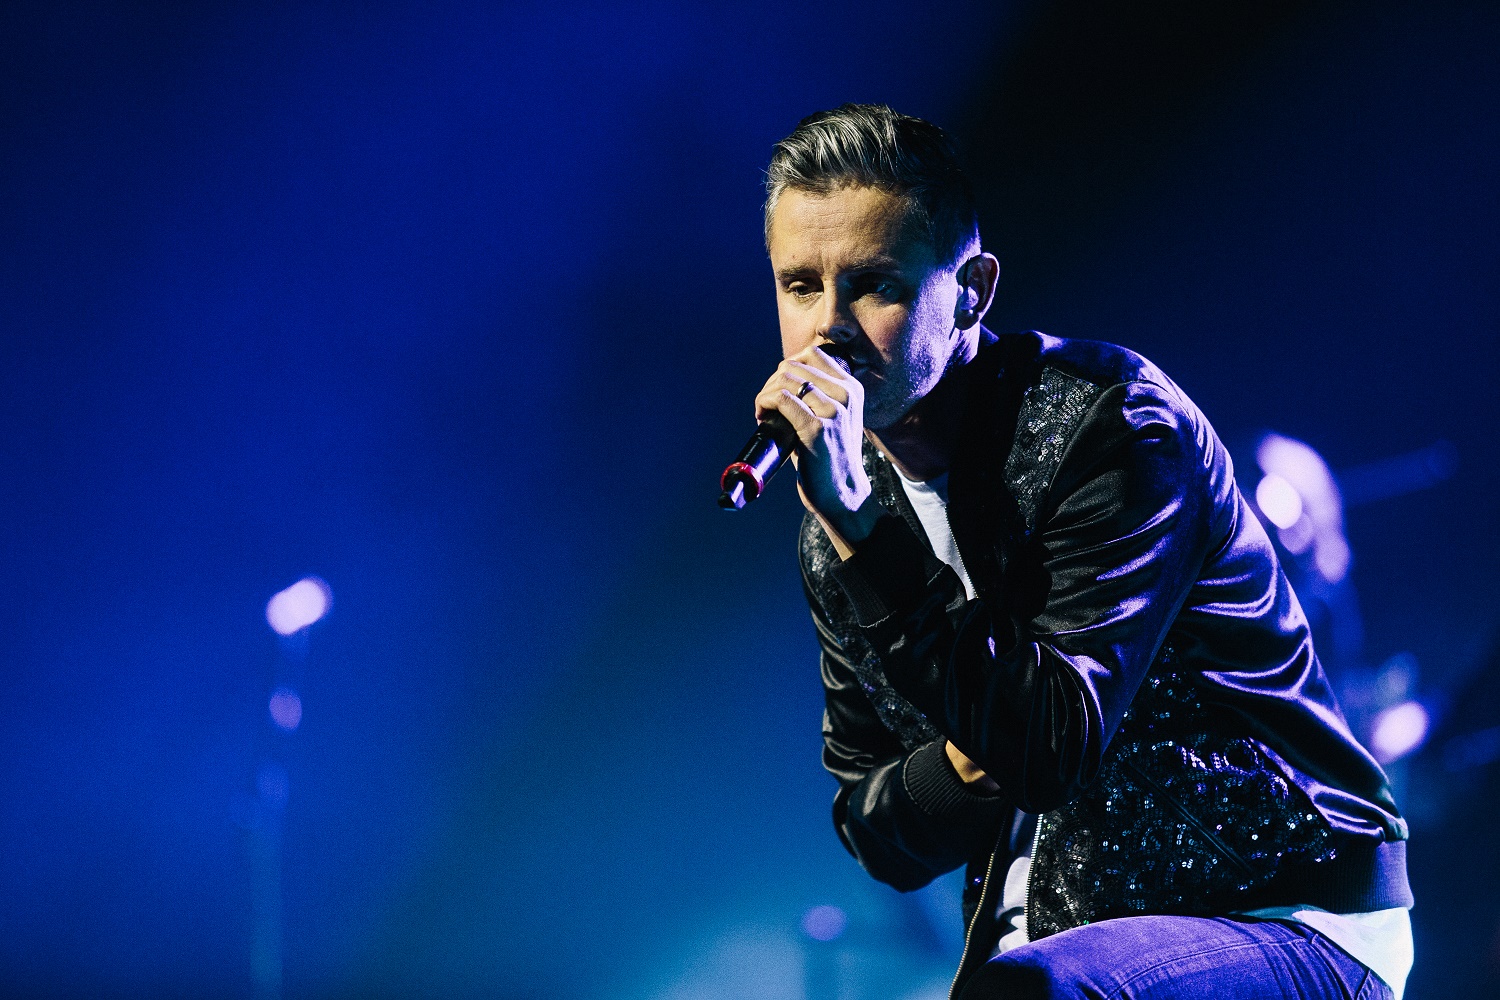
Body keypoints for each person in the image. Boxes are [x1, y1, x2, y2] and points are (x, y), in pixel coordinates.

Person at [752, 104, 1413, 1000]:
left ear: (972, 291)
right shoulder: (837, 521)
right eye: (800, 286)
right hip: (1050, 945)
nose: (828, 326)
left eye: (874, 285)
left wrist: (869, 544)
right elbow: (876, 830)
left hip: (1279, 913)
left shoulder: (1112, 425)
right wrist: (967, 761)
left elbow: (1050, 748)